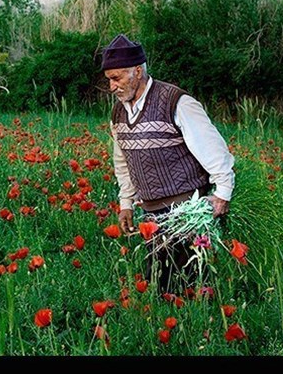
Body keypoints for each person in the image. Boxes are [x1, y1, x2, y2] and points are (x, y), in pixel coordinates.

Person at [101, 33, 235, 294]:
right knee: (162, 289)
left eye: (116, 78)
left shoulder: (177, 102)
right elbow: (123, 161)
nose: (112, 87)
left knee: (195, 288)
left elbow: (214, 150)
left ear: (137, 71)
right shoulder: (117, 112)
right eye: (109, 80)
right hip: (151, 214)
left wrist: (223, 192)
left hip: (188, 212)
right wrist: (126, 203)